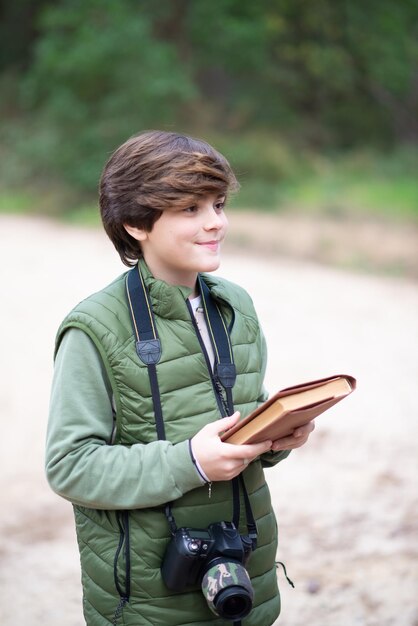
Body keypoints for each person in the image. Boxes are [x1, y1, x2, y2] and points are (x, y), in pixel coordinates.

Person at [45, 130, 314, 626]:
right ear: (134, 222)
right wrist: (191, 461)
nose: (216, 223)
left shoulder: (236, 305)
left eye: (218, 203)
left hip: (244, 581)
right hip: (149, 603)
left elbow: (235, 427)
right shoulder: (94, 328)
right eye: (190, 209)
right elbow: (70, 466)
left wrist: (276, 436)